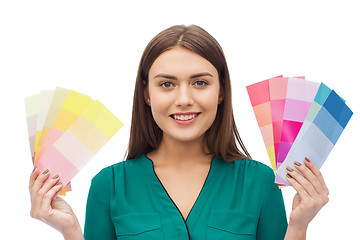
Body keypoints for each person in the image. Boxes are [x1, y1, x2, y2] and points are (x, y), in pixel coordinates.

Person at [29, 25, 329, 240]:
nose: (184, 98)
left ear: (221, 91)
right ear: (146, 94)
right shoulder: (108, 186)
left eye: (200, 82)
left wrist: (299, 226)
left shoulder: (259, 182)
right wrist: (69, 231)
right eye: (167, 84)